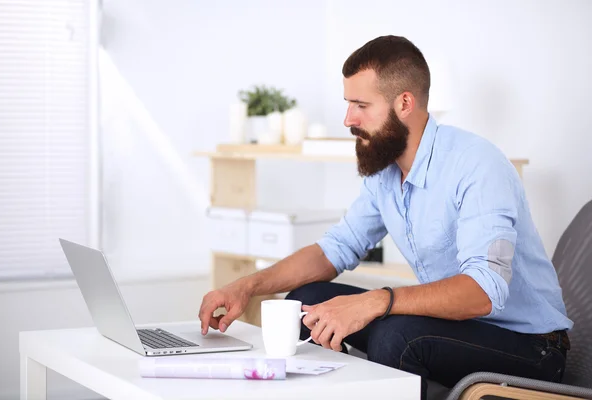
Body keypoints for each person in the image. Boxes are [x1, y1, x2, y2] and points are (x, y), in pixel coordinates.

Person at [198, 35, 572, 399]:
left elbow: (483, 292)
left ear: (404, 102)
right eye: (348, 104)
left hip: (530, 348)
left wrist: (376, 301)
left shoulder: (477, 165)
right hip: (453, 329)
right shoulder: (386, 173)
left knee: (397, 336)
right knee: (305, 303)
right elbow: (336, 249)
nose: (348, 119)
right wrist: (246, 286)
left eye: (360, 105)